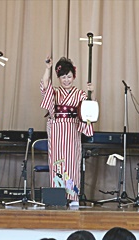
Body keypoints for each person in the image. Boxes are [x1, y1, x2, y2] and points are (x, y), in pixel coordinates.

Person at [40, 56, 94, 206]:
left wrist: (91, 93)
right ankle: (57, 195)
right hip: (57, 127)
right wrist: (48, 69)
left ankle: (73, 196)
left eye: (69, 77)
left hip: (72, 127)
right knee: (57, 162)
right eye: (63, 77)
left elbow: (87, 109)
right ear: (58, 78)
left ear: (74, 76)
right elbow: (45, 85)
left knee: (71, 162)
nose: (66, 80)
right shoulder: (55, 92)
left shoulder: (80, 93)